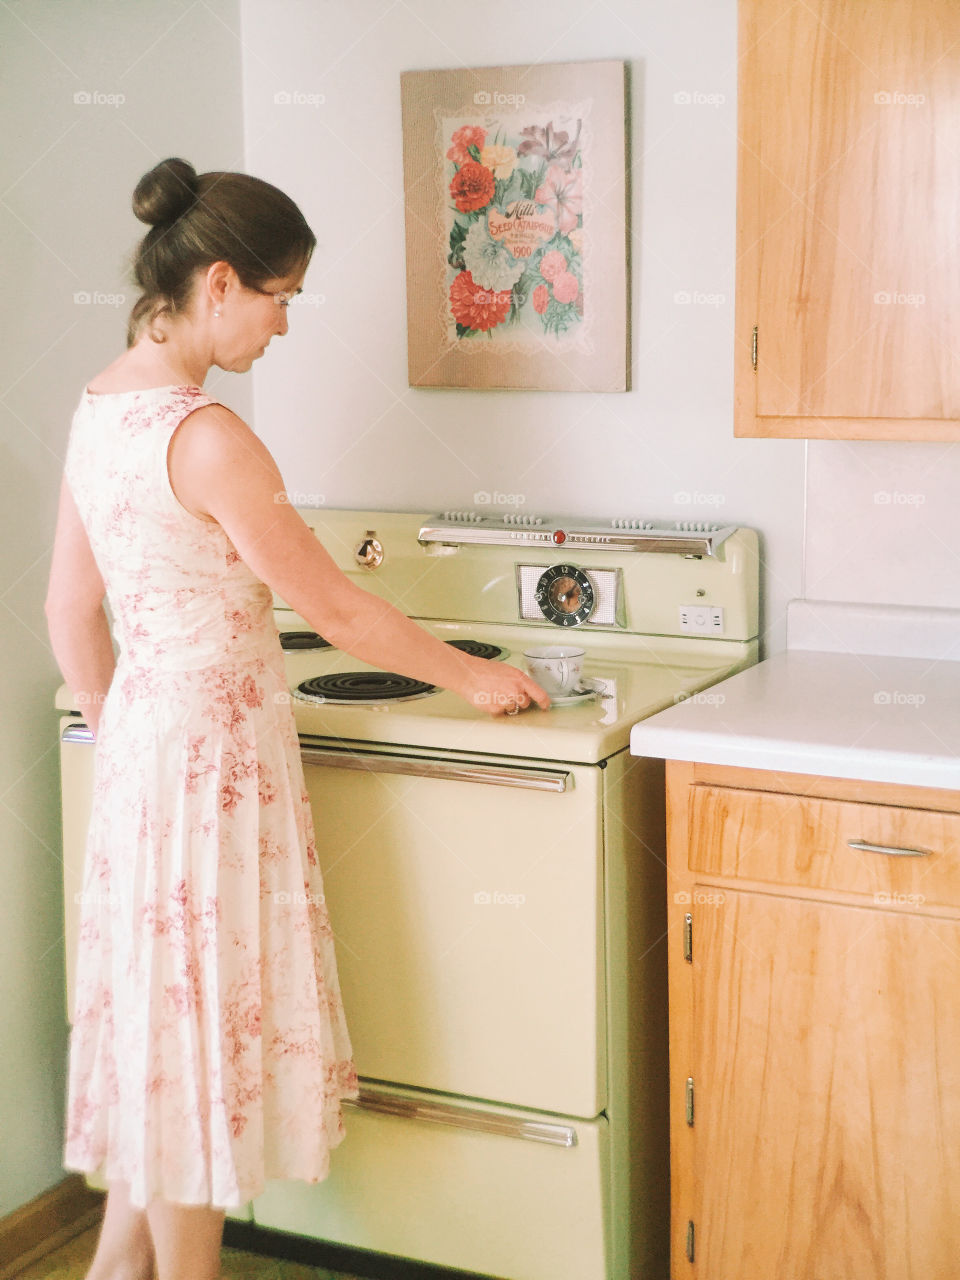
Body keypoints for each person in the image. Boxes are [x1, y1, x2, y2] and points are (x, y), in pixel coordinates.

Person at [45, 157, 550, 1280]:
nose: (283, 324)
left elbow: (68, 607)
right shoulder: (210, 437)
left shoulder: (98, 409)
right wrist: (469, 672)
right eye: (282, 296)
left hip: (142, 756)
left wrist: (120, 728)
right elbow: (336, 608)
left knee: (160, 1028)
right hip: (214, 762)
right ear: (220, 282)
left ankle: (119, 1265)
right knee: (202, 1032)